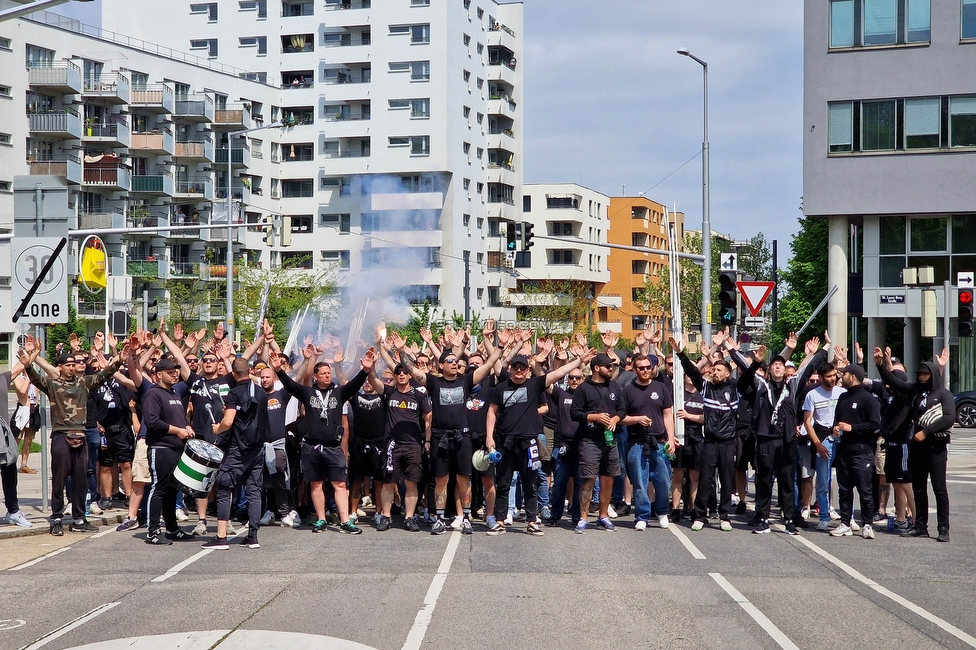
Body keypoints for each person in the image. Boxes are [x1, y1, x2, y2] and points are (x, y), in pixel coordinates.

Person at [392, 329, 502, 535]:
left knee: (463, 479)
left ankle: (466, 517)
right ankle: (440, 518)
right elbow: (411, 369)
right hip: (440, 437)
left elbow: (488, 365)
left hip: (463, 437)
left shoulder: (465, 381)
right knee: (441, 479)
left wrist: (501, 346)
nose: (454, 363)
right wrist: (400, 351)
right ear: (440, 365)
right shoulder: (434, 383)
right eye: (449, 361)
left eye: (455, 361)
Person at [21, 339, 130, 536]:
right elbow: (36, 379)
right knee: (59, 479)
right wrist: (28, 363)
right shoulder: (53, 384)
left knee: (81, 479)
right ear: (60, 367)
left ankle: (80, 517)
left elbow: (103, 376)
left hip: (81, 435)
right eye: (68, 365)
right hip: (61, 436)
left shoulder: (84, 383)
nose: (72, 368)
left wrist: (118, 361)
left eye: (74, 364)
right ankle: (56, 517)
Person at [271, 347, 377, 534]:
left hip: (333, 447)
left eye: (329, 373)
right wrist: (279, 370)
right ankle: (321, 519)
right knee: (316, 483)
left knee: (340, 484)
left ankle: (345, 521)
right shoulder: (307, 393)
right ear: (316, 376)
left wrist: (366, 370)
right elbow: (289, 385)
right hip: (312, 447)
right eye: (324, 373)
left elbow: (354, 384)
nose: (328, 376)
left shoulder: (339, 393)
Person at [487, 348, 588, 536]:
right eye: (515, 368)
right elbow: (492, 412)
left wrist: (578, 361)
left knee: (530, 483)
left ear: (527, 370)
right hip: (505, 441)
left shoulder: (534, 384)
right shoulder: (500, 388)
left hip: (529, 442)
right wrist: (489, 436)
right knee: (503, 482)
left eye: (522, 368)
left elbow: (558, 373)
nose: (518, 371)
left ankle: (532, 520)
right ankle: (500, 520)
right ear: (510, 369)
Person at [672, 334, 756, 532]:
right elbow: (693, 372)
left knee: (727, 480)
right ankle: (699, 516)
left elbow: (749, 374)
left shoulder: (736, 389)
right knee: (705, 479)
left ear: (727, 374)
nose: (714, 372)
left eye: (718, 370)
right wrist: (680, 354)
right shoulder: (706, 388)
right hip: (708, 441)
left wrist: (746, 358)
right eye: (713, 369)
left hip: (728, 443)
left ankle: (724, 517)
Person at [874, 348, 954, 542]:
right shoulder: (916, 392)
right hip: (917, 448)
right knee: (918, 488)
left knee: (939, 488)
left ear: (933, 374)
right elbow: (894, 382)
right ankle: (920, 526)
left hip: (936, 448)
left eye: (926, 374)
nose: (922, 377)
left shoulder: (943, 394)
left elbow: (949, 417)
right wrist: (880, 365)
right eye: (920, 374)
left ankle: (943, 528)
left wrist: (926, 432)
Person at [202, 358, 269, 549]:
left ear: (233, 374)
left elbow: (229, 421)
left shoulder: (234, 393)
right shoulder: (261, 392)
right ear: (250, 370)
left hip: (237, 448)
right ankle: (253, 536)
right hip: (257, 448)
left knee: (224, 488)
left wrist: (218, 428)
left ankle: (221, 537)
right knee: (254, 491)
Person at [369, 360, 432, 533]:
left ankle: (410, 517)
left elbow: (428, 418)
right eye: (398, 372)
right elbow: (373, 380)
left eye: (404, 372)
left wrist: (427, 441)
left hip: (413, 445)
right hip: (392, 445)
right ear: (395, 376)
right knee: (388, 483)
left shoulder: (418, 395)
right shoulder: (389, 392)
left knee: (412, 483)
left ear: (410, 375)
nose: (401, 374)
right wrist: (371, 367)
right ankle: (386, 516)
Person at [142, 358, 196, 545]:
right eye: (170, 371)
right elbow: (153, 422)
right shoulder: (153, 394)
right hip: (161, 448)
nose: (175, 374)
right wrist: (177, 430)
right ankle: (153, 531)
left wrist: (187, 427)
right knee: (159, 489)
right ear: (158, 375)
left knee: (172, 491)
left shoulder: (173, 394)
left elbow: (179, 419)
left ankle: (172, 529)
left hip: (176, 449)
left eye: (176, 371)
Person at [620, 354, 675, 531]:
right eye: (641, 368)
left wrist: (671, 438)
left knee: (664, 480)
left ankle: (661, 512)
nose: (645, 370)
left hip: (658, 442)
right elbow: (620, 418)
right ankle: (641, 516)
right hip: (637, 442)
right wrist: (636, 419)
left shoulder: (660, 387)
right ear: (635, 370)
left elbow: (668, 414)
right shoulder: (628, 391)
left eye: (648, 367)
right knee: (640, 481)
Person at [828, 364, 882, 539]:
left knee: (865, 490)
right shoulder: (843, 397)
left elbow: (875, 424)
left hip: (862, 451)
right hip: (844, 450)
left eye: (843, 374)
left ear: (853, 376)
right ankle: (845, 523)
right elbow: (837, 420)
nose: (840, 377)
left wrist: (853, 427)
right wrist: (835, 428)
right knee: (844, 489)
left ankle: (867, 524)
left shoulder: (868, 398)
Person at [803, 362, 846, 531]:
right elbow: (808, 422)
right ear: (820, 378)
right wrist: (817, 444)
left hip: (842, 439)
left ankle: (847, 518)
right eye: (828, 376)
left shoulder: (842, 392)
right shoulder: (812, 395)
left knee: (845, 480)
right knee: (823, 481)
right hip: (824, 440)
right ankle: (823, 517)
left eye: (834, 375)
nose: (832, 378)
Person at [258, 367, 299, 528]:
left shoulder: (281, 395)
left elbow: (298, 379)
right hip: (260, 447)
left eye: (268, 377)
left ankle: (283, 513)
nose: (264, 380)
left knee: (279, 480)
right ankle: (268, 512)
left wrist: (309, 360)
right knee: (261, 482)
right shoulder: (256, 397)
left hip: (277, 447)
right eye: (262, 377)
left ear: (274, 379)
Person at [1, 353, 32, 529]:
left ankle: (13, 511)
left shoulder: (3, 378)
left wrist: (32, 352)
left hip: (3, 433)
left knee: (9, 471)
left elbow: (23, 364)